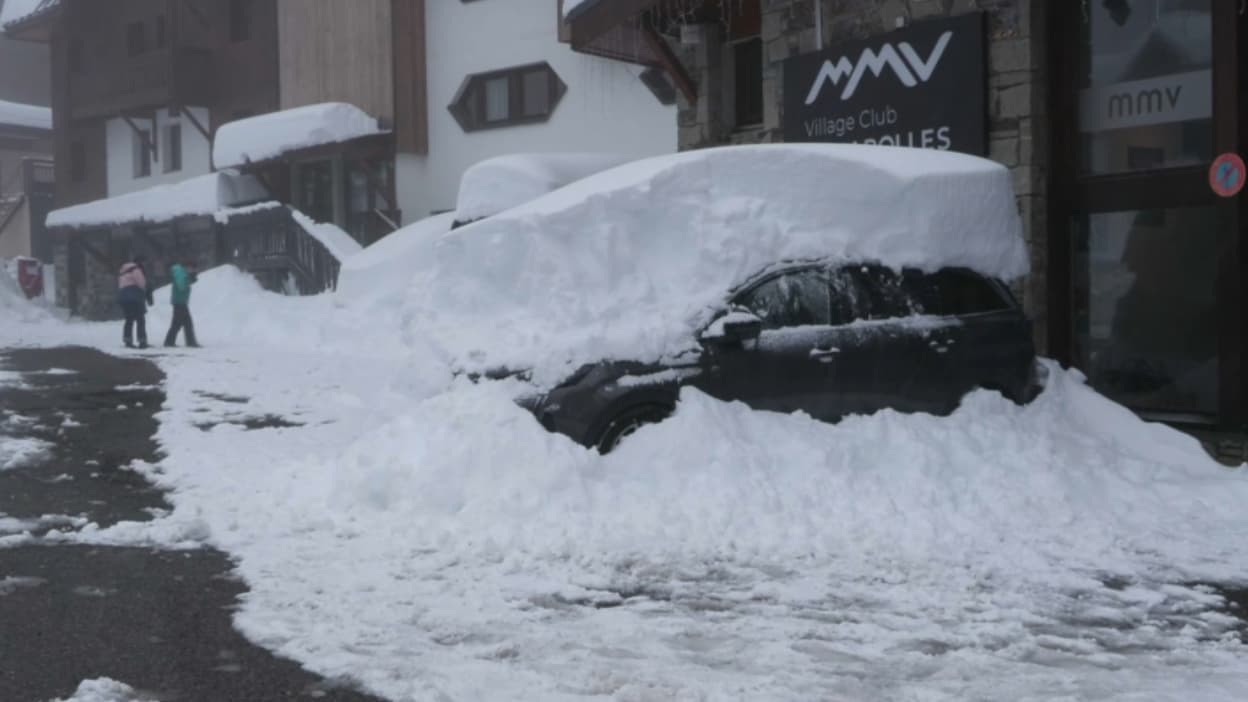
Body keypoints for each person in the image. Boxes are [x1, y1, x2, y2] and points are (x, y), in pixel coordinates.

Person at [117, 255, 153, 349]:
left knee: (129, 319)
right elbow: (142, 283)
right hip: (135, 297)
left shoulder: (123, 271)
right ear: (140, 262)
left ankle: (127, 340)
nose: (145, 264)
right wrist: (146, 292)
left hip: (124, 297)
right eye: (144, 262)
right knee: (140, 319)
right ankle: (142, 341)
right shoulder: (136, 269)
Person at [164, 259, 199, 348]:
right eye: (193, 269)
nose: (193, 271)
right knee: (181, 323)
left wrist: (190, 279)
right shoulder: (180, 272)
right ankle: (171, 342)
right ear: (188, 267)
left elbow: (183, 284)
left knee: (183, 323)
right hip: (179, 301)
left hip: (181, 301)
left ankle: (188, 342)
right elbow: (181, 286)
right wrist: (189, 279)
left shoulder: (181, 273)